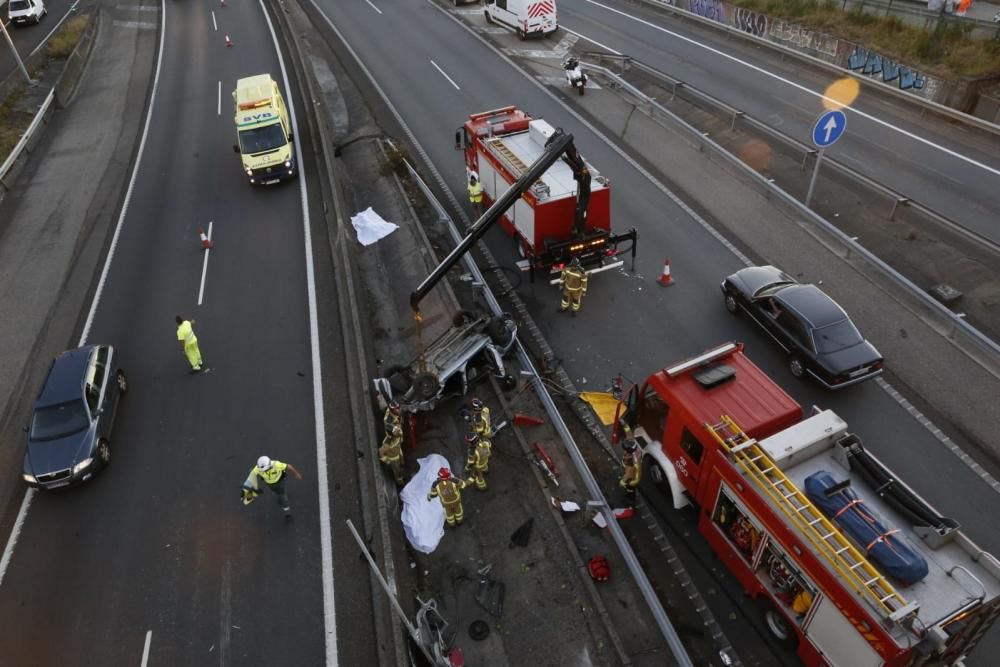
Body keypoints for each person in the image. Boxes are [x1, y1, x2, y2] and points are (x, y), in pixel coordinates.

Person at [244, 456, 303, 520]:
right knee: (276, 492)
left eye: (266, 470)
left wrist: (296, 474)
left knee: (283, 496)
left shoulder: (276, 464)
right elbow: (252, 475)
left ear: (269, 465)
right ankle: (280, 496)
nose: (264, 471)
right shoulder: (258, 468)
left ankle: (287, 513)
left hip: (280, 482)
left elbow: (288, 466)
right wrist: (251, 489)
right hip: (270, 484)